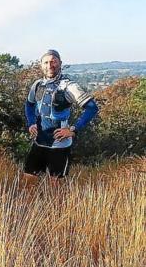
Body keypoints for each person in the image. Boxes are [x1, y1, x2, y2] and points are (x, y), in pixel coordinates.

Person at [23, 49, 99, 181]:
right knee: (28, 182)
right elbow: (29, 104)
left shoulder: (69, 86)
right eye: (46, 62)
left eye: (53, 61)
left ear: (60, 63)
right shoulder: (37, 84)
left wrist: (73, 130)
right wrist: (31, 123)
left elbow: (92, 108)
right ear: (41, 65)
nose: (50, 65)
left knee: (56, 189)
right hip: (39, 142)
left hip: (59, 144)